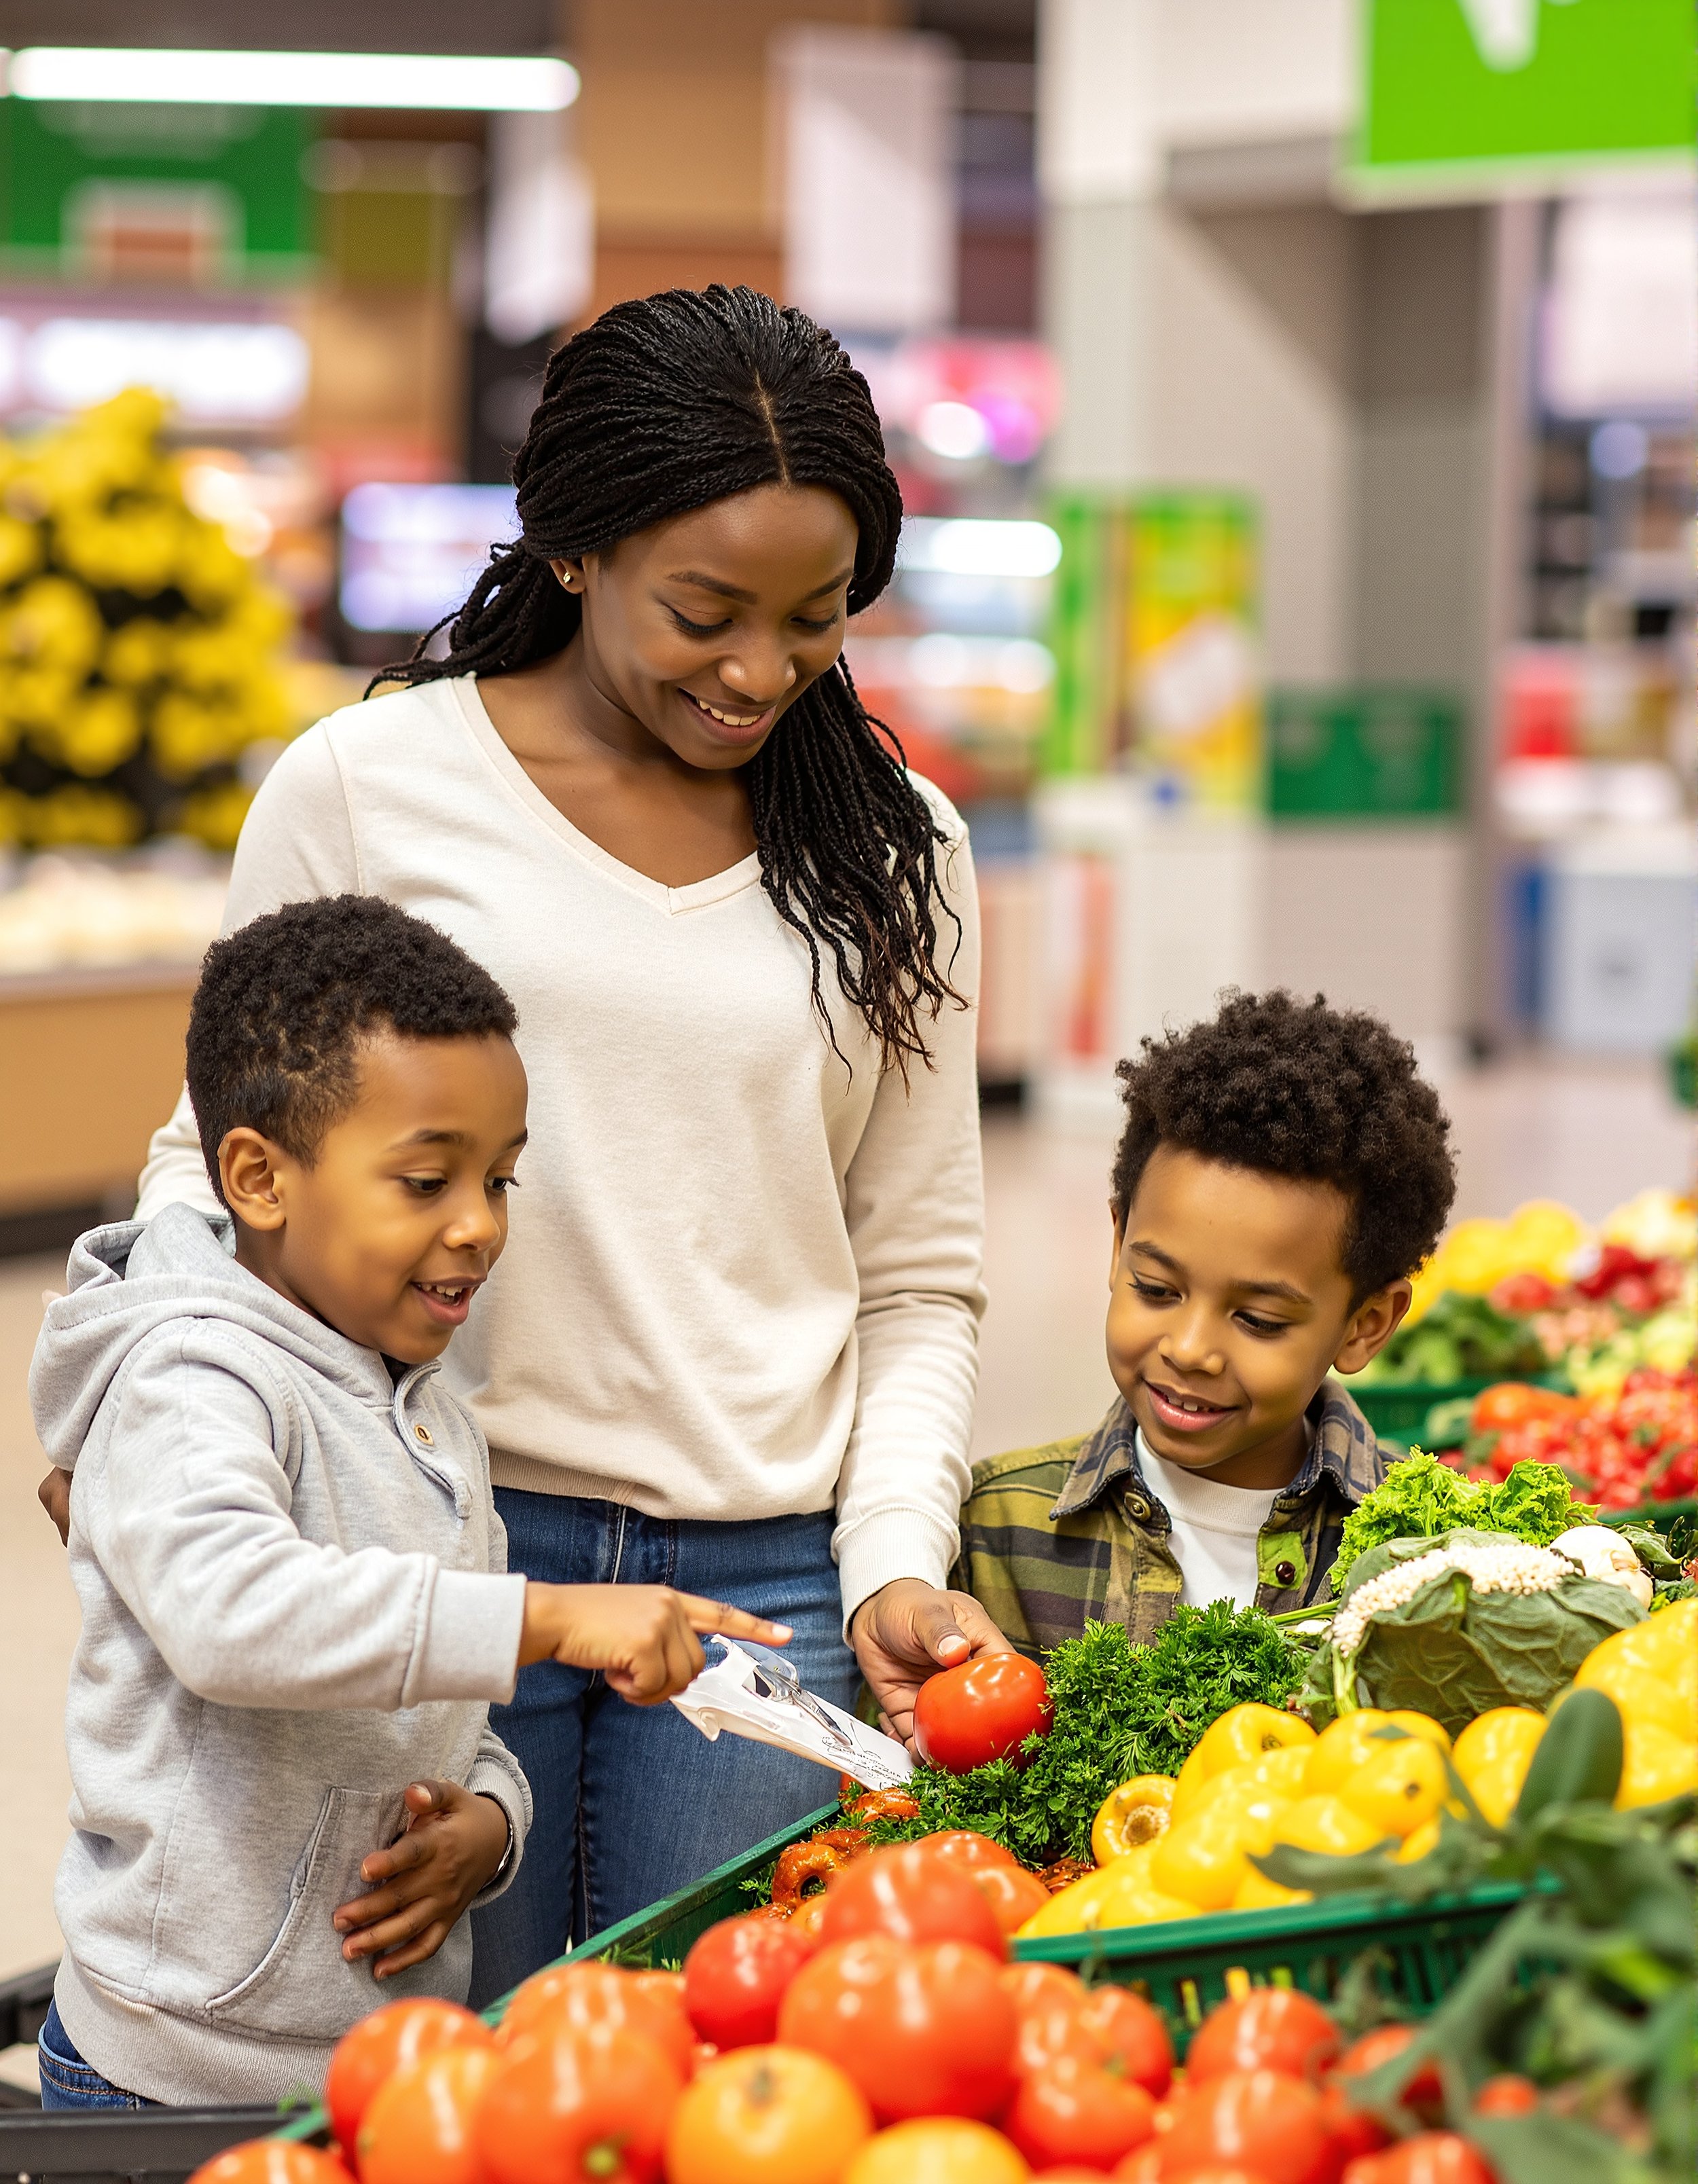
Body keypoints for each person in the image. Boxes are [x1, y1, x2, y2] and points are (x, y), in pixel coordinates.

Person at [117, 285, 1007, 1998]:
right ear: (576, 549)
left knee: (710, 2088)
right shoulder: (370, 787)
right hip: (420, 1556)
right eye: (707, 610)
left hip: (766, 1592)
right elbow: (208, 1163)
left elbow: (918, 1271)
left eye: (817, 616)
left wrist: (896, 1551)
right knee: (438, 2088)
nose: (762, 670)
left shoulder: (900, 851)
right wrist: (143, 1410)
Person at [31, 896, 787, 2109]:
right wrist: (546, 1618)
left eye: (501, 1179)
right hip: (179, 2076)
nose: (481, 1225)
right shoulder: (190, 1378)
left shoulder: (425, 1411)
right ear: (258, 1179)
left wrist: (492, 1820)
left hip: (382, 2059)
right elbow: (231, 1615)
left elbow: (438, 1689)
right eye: (428, 1179)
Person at [954, 991, 1458, 1650]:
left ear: (1365, 1325)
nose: (1190, 1350)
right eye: (1157, 1289)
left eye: (1257, 1320)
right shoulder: (994, 1533)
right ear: (1116, 1247)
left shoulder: (1429, 1554)